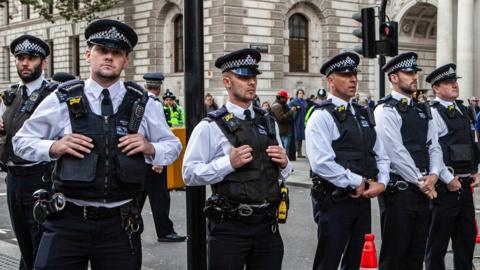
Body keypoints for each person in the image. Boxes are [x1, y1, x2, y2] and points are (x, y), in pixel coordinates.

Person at [13, 19, 182, 269]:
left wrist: (151, 148)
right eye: (103, 51)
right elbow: (20, 142)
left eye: (117, 53)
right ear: (89, 54)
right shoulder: (61, 99)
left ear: (126, 60)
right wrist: (53, 147)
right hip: (67, 221)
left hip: (120, 225)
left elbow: (173, 146)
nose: (109, 58)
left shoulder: (143, 104)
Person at [182, 48, 292, 270]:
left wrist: (285, 162)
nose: (251, 82)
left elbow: (283, 172)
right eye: (243, 77)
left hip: (267, 225)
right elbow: (189, 174)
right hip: (230, 228)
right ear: (227, 82)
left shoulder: (267, 121)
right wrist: (227, 164)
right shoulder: (210, 126)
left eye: (253, 77)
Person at [306, 51, 390, 270]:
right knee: (328, 261)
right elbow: (321, 163)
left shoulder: (363, 113)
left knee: (355, 260)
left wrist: (382, 182)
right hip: (335, 201)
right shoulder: (321, 115)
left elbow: (380, 152)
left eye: (354, 74)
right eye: (345, 75)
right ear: (331, 80)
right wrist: (356, 181)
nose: (353, 79)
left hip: (362, 199)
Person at [374, 52, 445, 270]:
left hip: (423, 188)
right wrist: (423, 181)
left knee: (416, 255)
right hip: (401, 191)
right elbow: (396, 152)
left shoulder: (421, 108)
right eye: (408, 73)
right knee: (395, 256)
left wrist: (434, 174)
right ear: (394, 78)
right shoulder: (385, 109)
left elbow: (434, 145)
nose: (414, 77)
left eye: (415, 72)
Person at [0, 34, 55, 270]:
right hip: (12, 179)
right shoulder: (10, 96)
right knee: (25, 244)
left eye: (31, 58)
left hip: (41, 178)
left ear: (43, 63)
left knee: (42, 245)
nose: (25, 63)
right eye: (20, 58)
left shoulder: (54, 95)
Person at [425, 63, 480, 270]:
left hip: (465, 185)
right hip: (444, 188)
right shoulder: (433, 112)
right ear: (436, 88)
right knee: (436, 246)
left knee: (465, 242)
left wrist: (477, 171)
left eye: (455, 81)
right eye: (448, 83)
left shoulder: (465, 110)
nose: (454, 85)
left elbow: (473, 143)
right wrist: (448, 179)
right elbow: (433, 150)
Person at [139, 72, 186, 242]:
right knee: (160, 197)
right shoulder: (154, 105)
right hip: (152, 158)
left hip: (139, 159)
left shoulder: (139, 101)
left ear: (146, 86)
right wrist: (158, 160)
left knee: (138, 196)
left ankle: (128, 228)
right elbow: (157, 134)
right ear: (159, 88)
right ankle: (165, 231)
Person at [288, 89, 307, 158]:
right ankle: (295, 151)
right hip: (296, 121)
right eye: (299, 93)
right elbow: (288, 106)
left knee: (301, 137)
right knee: (296, 136)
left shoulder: (304, 101)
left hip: (302, 121)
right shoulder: (294, 101)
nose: (301, 94)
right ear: (297, 94)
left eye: (302, 93)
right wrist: (295, 108)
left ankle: (300, 153)